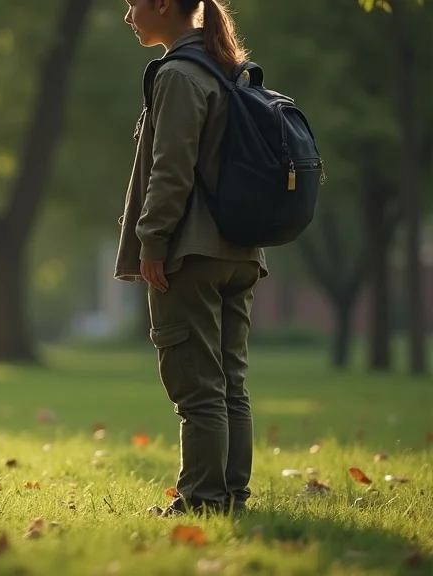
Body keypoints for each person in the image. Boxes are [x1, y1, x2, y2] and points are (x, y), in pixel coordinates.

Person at [114, 0, 267, 517]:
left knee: (197, 387)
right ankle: (231, 496)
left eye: (134, 4)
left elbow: (171, 169)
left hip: (193, 252)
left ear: (163, 5)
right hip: (239, 250)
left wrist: (151, 242)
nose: (128, 15)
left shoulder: (178, 74)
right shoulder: (226, 68)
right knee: (229, 382)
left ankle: (203, 501)